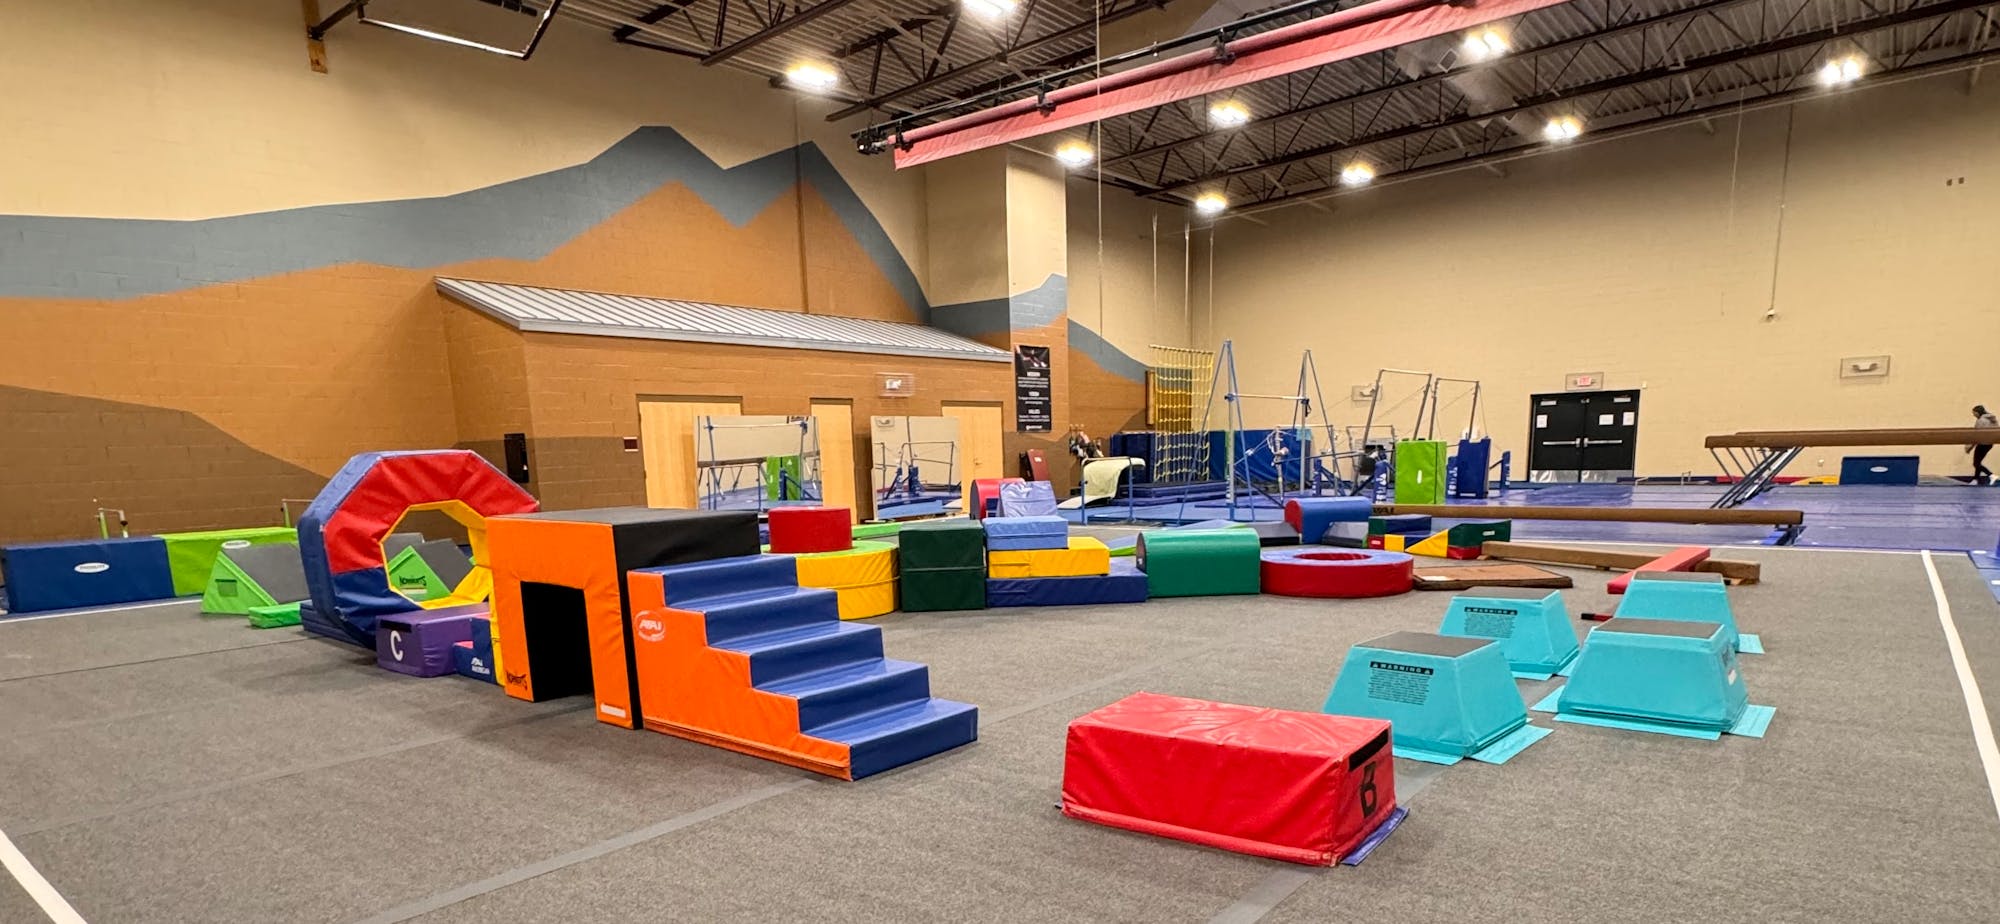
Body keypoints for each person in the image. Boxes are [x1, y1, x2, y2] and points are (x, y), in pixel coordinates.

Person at [1970, 405, 1997, 485]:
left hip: (1982, 443)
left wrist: (1969, 446)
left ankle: (1991, 475)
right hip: (1989, 444)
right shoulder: (1992, 419)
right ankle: (1975, 479)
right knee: (1978, 462)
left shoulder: (1981, 420)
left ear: (1978, 413)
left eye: (1974, 413)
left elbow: (1976, 434)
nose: (1973, 415)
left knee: (1976, 463)